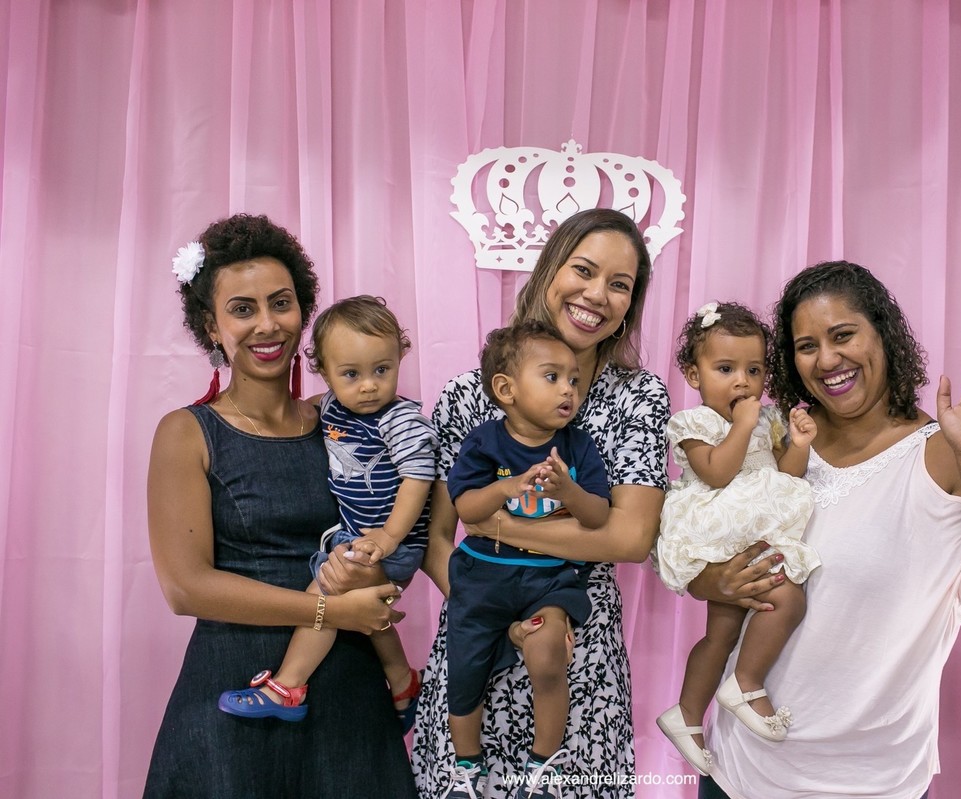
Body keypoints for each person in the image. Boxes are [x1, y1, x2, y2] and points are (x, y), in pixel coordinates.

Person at [316, 207, 670, 799]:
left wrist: (499, 526)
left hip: (574, 651)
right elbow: (435, 538)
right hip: (476, 640)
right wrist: (493, 612)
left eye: (620, 284)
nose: (598, 295)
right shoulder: (465, 395)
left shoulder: (638, 398)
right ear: (548, 270)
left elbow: (629, 540)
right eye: (583, 270)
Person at [689, 261, 961, 799]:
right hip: (741, 771)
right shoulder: (778, 442)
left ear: (883, 332)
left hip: (873, 782)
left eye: (843, 335)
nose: (828, 359)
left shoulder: (941, 454)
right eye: (806, 345)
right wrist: (714, 583)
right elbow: (701, 555)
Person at [144, 214, 416, 798]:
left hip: (348, 696)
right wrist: (334, 613)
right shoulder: (187, 433)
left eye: (281, 303)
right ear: (211, 327)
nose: (267, 324)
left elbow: (403, 516)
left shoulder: (346, 421)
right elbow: (185, 588)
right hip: (232, 694)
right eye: (242, 308)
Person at [216, 295, 434, 733]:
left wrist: (389, 538)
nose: (369, 386)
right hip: (354, 536)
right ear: (324, 371)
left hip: (394, 543)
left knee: (326, 592)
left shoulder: (400, 419)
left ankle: (288, 687)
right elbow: (310, 409)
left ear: (400, 357)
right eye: (350, 374)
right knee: (362, 607)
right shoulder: (331, 406)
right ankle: (402, 680)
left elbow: (418, 478)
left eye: (382, 370)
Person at [443, 320, 612, 796]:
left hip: (549, 581)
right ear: (507, 389)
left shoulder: (577, 446)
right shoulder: (484, 442)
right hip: (482, 576)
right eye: (553, 377)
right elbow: (466, 511)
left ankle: (544, 768)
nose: (569, 391)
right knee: (466, 670)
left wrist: (570, 491)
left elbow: (598, 516)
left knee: (547, 656)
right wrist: (505, 486)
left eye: (574, 380)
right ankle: (466, 767)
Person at [653, 301, 820, 776]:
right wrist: (743, 426)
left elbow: (786, 476)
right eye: (725, 369)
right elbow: (718, 473)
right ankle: (746, 682)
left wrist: (799, 445)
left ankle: (685, 714)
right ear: (693, 373)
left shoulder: (768, 419)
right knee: (787, 600)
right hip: (719, 521)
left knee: (723, 631)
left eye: (753, 369)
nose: (742, 382)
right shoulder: (695, 423)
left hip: (753, 519)